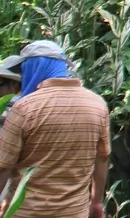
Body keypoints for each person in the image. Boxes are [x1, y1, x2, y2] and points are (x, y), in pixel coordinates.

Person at [0, 41, 110, 218]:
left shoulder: (24, 108)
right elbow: (102, 158)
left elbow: (3, 167)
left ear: (34, 67)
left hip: (25, 212)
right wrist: (96, 202)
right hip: (74, 212)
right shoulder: (97, 105)